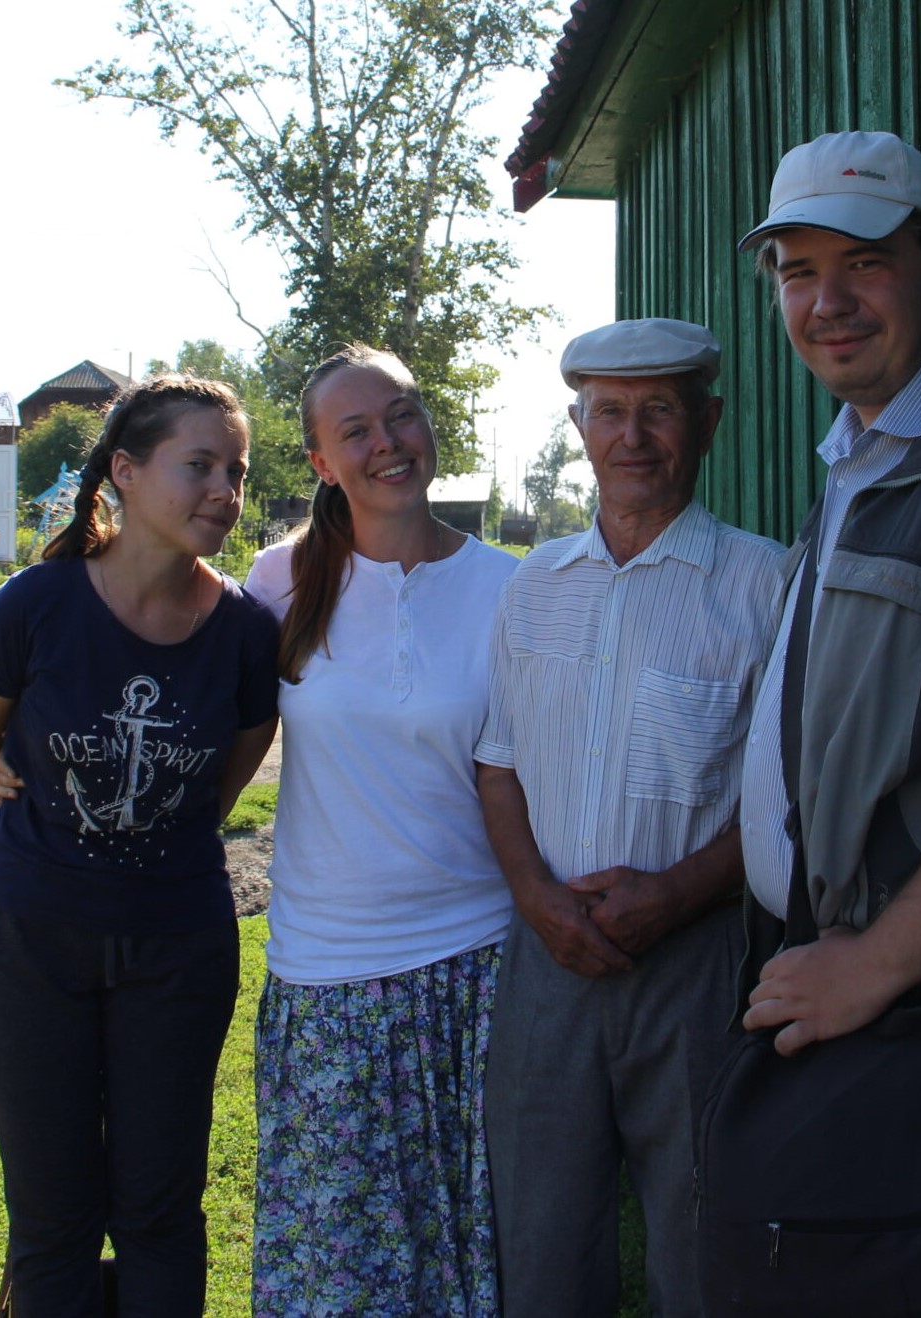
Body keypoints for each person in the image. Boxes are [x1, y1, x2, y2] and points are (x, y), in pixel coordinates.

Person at [0, 374, 281, 1318]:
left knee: (159, 1209)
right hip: (25, 943)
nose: (225, 489)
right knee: (52, 1215)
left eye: (236, 470)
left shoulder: (246, 637)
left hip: (174, 949)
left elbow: (223, 776)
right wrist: (19, 826)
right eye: (199, 466)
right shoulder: (33, 608)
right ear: (125, 473)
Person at [475, 318, 782, 1318]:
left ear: (709, 422)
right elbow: (499, 762)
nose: (633, 436)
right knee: (543, 1241)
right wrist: (534, 896)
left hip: (697, 968)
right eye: (610, 411)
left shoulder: (764, 586)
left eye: (660, 410)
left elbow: (793, 797)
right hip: (547, 961)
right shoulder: (534, 585)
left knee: (702, 1239)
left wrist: (678, 893)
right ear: (578, 425)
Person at [243, 344, 520, 1317]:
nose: (385, 443)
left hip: (483, 968)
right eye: (354, 430)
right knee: (337, 1272)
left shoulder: (510, 587)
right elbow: (190, 717)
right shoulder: (274, 585)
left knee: (476, 1260)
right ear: (320, 461)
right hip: (329, 975)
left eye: (399, 414)